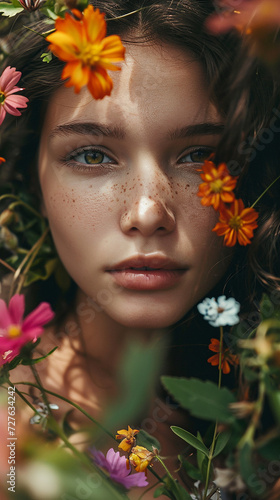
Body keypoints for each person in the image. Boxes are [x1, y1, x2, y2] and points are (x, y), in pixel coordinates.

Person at [0, 1, 280, 499]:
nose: (149, 212)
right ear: (31, 180)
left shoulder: (260, 414)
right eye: (91, 154)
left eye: (201, 155)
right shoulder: (12, 444)